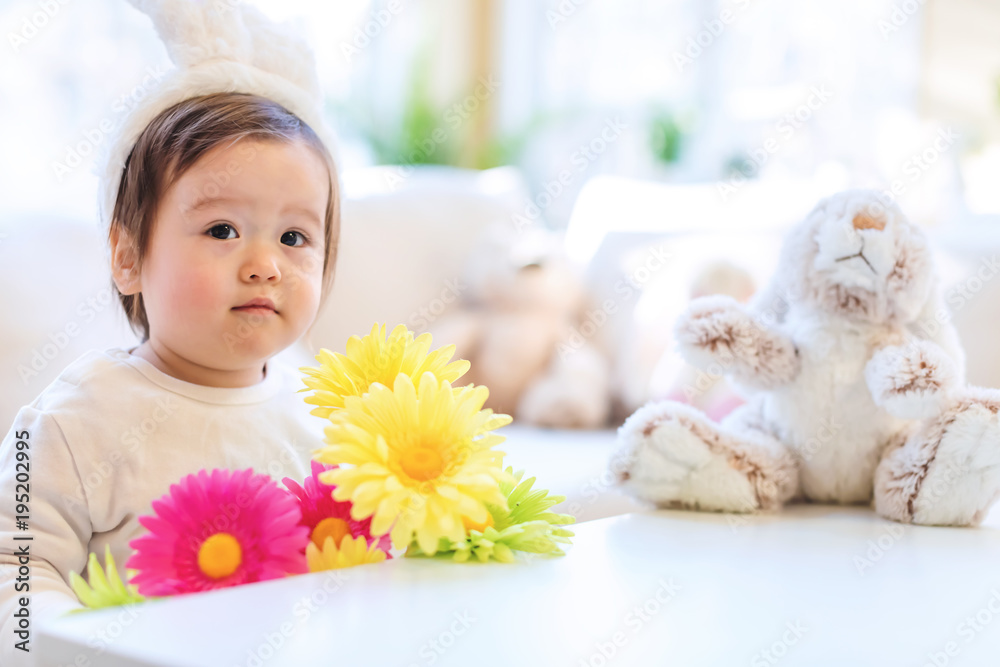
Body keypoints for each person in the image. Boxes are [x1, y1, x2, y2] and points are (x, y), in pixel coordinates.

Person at [0, 2, 340, 663]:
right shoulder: (70, 422)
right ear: (128, 256)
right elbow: (17, 570)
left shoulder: (328, 413)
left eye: (295, 236)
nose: (265, 263)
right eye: (222, 230)